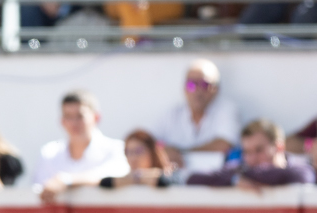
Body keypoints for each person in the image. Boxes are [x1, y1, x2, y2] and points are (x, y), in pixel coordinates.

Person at [32, 90, 129, 203]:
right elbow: (39, 190)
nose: (74, 123)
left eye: (80, 116)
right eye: (68, 116)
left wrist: (66, 180)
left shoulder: (116, 149)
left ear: (96, 117)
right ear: (62, 121)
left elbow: (112, 178)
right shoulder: (49, 152)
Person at [153, 59, 240, 170]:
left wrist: (180, 152)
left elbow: (224, 145)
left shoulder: (227, 110)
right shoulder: (172, 114)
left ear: (216, 89)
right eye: (191, 84)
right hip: (178, 182)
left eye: (204, 85)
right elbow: (149, 142)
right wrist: (164, 150)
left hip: (215, 181)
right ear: (184, 88)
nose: (198, 90)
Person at [186, 119, 316, 189]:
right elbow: (193, 179)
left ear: (279, 147)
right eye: (247, 152)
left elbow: (303, 177)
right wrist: (233, 180)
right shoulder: (239, 171)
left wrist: (247, 177)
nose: (252, 159)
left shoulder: (300, 167)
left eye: (259, 150)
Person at [100, 130, 176, 188]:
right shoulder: (124, 179)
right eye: (128, 152)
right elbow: (104, 183)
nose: (133, 158)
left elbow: (165, 182)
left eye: (138, 151)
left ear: (152, 152)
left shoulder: (170, 174)